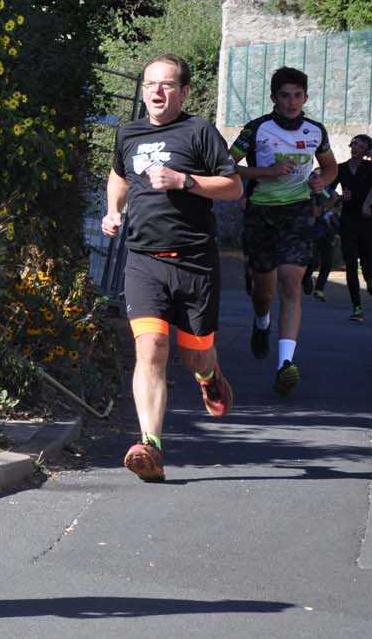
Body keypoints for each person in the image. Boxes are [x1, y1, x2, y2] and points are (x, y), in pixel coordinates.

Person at [103, 54, 243, 483]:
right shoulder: (128, 133)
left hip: (195, 261)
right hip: (144, 260)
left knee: (195, 353)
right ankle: (152, 446)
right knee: (150, 350)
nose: (157, 92)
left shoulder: (199, 132)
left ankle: (209, 374)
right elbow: (120, 175)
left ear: (183, 92)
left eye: (166, 85)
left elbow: (234, 186)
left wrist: (186, 181)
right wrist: (112, 210)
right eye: (150, 85)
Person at [231, 67, 338, 397]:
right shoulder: (257, 129)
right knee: (265, 290)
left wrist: (324, 179)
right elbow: (226, 165)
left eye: (298, 95)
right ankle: (261, 323)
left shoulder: (315, 131)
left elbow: (331, 166)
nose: (292, 102)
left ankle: (285, 364)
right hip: (261, 213)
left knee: (291, 283)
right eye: (285, 95)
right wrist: (267, 171)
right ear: (274, 98)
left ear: (305, 97)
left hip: (297, 212)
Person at [335, 134, 372, 321]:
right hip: (347, 219)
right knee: (351, 262)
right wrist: (338, 198)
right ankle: (357, 307)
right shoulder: (341, 168)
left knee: (368, 262)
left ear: (366, 151)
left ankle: (370, 278)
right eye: (354, 144)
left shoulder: (370, 168)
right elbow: (329, 189)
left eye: (361, 146)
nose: (356, 148)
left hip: (367, 219)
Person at [299, 185, 338, 301]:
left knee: (327, 262)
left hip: (326, 230)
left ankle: (319, 289)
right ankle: (306, 278)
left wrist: (326, 207)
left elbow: (334, 197)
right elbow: (315, 212)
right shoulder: (307, 188)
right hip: (311, 230)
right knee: (313, 261)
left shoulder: (326, 189)